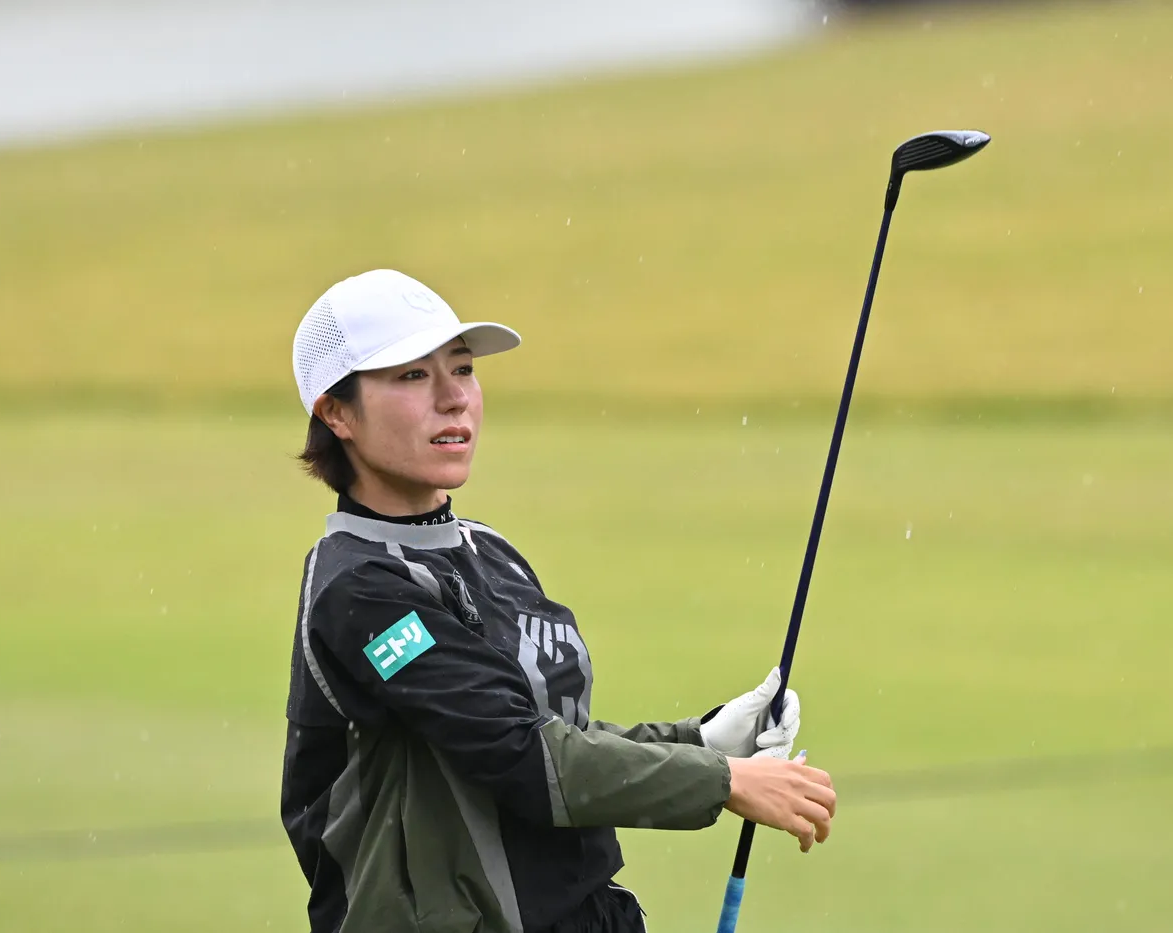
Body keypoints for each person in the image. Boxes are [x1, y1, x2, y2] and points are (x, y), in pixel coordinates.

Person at [280, 269, 837, 933]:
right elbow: (519, 753)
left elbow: (547, 729)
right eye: (413, 376)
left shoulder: (489, 551)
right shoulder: (360, 590)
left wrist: (700, 739)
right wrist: (725, 780)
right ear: (336, 413)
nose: (454, 399)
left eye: (463, 369)